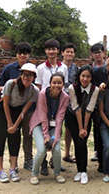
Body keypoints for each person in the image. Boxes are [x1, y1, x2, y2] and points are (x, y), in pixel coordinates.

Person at [0, 63, 39, 183]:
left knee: (15, 139)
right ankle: (0, 170)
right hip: (3, 110)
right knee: (0, 138)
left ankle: (13, 169)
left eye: (30, 75)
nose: (26, 77)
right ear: (21, 75)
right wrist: (9, 122)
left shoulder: (34, 91)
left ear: (34, 77)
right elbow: (5, 103)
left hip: (17, 111)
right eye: (24, 74)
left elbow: (25, 109)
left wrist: (15, 125)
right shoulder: (11, 83)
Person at [0, 42, 35, 171]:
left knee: (27, 134)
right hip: (12, 107)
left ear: (29, 55)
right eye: (20, 53)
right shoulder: (9, 69)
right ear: (16, 55)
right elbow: (0, 87)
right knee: (13, 134)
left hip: (27, 108)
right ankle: (13, 161)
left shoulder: (32, 70)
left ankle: (28, 159)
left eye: (25, 53)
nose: (23, 55)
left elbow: (34, 89)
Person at [35, 39, 68, 175]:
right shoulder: (41, 68)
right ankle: (42, 163)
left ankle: (55, 161)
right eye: (48, 49)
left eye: (53, 49)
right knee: (45, 134)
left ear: (58, 51)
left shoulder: (64, 67)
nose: (51, 52)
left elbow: (63, 87)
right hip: (44, 104)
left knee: (56, 133)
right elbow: (38, 87)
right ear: (45, 51)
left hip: (57, 106)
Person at [29, 73, 69, 185]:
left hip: (53, 126)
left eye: (59, 83)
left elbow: (60, 119)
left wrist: (54, 138)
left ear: (63, 84)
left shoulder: (65, 97)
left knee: (56, 150)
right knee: (41, 150)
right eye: (54, 83)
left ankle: (57, 173)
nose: (57, 85)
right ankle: (34, 174)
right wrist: (46, 137)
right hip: (39, 124)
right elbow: (42, 116)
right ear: (50, 83)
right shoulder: (42, 94)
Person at [66, 65, 99, 185]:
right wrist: (80, 128)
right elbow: (77, 109)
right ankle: (79, 170)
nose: (85, 79)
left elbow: (89, 109)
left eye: (88, 76)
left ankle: (83, 170)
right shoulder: (72, 88)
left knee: (82, 142)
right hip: (73, 117)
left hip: (87, 117)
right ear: (79, 76)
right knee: (78, 142)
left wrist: (85, 127)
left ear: (91, 78)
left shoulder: (95, 89)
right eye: (83, 76)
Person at [61, 43, 79, 164]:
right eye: (67, 52)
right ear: (62, 53)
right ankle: (53, 156)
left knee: (68, 128)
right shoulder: (57, 67)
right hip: (58, 100)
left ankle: (66, 153)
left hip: (71, 101)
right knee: (56, 127)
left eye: (71, 52)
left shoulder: (76, 69)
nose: (69, 54)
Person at [90, 43, 106, 162]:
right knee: (96, 126)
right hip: (94, 100)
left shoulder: (108, 66)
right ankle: (97, 150)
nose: (97, 54)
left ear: (103, 53)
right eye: (95, 52)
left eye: (99, 52)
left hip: (108, 100)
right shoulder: (90, 68)